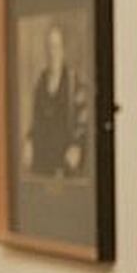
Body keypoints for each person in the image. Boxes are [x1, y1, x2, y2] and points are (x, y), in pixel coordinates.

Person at [22, 24, 89, 178]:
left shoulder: (73, 81)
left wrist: (77, 146)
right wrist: (29, 141)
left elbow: (83, 119)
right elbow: (36, 120)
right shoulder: (41, 81)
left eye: (56, 46)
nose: (53, 52)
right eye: (50, 47)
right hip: (42, 160)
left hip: (64, 160)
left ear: (63, 49)